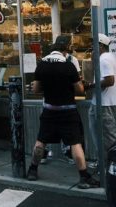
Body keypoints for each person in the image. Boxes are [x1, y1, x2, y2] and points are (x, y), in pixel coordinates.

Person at [26, 42, 99, 189]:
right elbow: (79, 90)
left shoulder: (41, 65)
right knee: (75, 143)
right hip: (67, 111)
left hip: (49, 109)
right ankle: (84, 176)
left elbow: (36, 89)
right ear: (64, 52)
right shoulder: (68, 66)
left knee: (41, 141)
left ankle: (32, 170)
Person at [87, 34, 116, 163]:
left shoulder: (104, 59)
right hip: (104, 102)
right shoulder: (108, 57)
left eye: (93, 44)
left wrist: (90, 85)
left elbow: (110, 80)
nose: (91, 47)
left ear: (100, 45)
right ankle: (105, 165)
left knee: (107, 138)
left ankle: (110, 169)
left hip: (103, 104)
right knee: (104, 136)